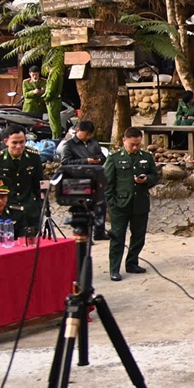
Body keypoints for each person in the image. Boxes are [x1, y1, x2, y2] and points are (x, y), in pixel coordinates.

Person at [103, 127, 160, 281]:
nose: (135, 147)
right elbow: (107, 183)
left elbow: (155, 176)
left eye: (137, 144)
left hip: (140, 202)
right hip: (120, 204)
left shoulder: (146, 157)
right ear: (124, 141)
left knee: (139, 236)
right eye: (131, 145)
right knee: (117, 237)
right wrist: (112, 202)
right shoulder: (114, 158)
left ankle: (132, 263)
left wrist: (146, 179)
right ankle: (114, 268)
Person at [57, 118, 111, 239]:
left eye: (89, 134)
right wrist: (85, 161)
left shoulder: (94, 143)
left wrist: (99, 160)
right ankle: (84, 234)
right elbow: (66, 162)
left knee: (101, 204)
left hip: (94, 179)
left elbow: (102, 157)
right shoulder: (69, 145)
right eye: (85, 133)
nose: (87, 136)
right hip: (77, 181)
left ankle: (99, 232)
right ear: (78, 131)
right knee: (83, 208)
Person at [0, 127, 45, 232]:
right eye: (14, 142)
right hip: (8, 208)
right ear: (6, 142)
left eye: (22, 142)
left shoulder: (33, 158)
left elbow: (40, 184)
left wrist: (40, 205)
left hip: (30, 208)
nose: (18, 146)